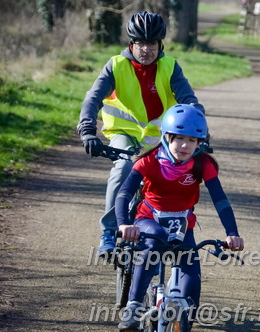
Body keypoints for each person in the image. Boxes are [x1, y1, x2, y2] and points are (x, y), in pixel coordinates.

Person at [77, 11, 205, 257]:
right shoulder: (116, 65)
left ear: (160, 44)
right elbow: (92, 99)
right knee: (125, 169)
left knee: (169, 176)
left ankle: (167, 231)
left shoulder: (170, 67)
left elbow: (189, 100)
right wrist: (87, 131)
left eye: (152, 43)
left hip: (160, 138)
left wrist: (200, 129)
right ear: (131, 44)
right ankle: (110, 231)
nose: (146, 49)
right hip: (125, 134)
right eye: (141, 43)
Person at [115, 104, 244, 330]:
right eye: (179, 139)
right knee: (153, 242)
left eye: (192, 140)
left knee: (191, 284)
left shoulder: (203, 164)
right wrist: (124, 224)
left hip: (183, 228)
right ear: (167, 137)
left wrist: (232, 233)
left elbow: (220, 200)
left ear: (200, 143)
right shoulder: (149, 161)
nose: (185, 146)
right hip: (148, 221)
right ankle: (134, 306)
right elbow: (124, 193)